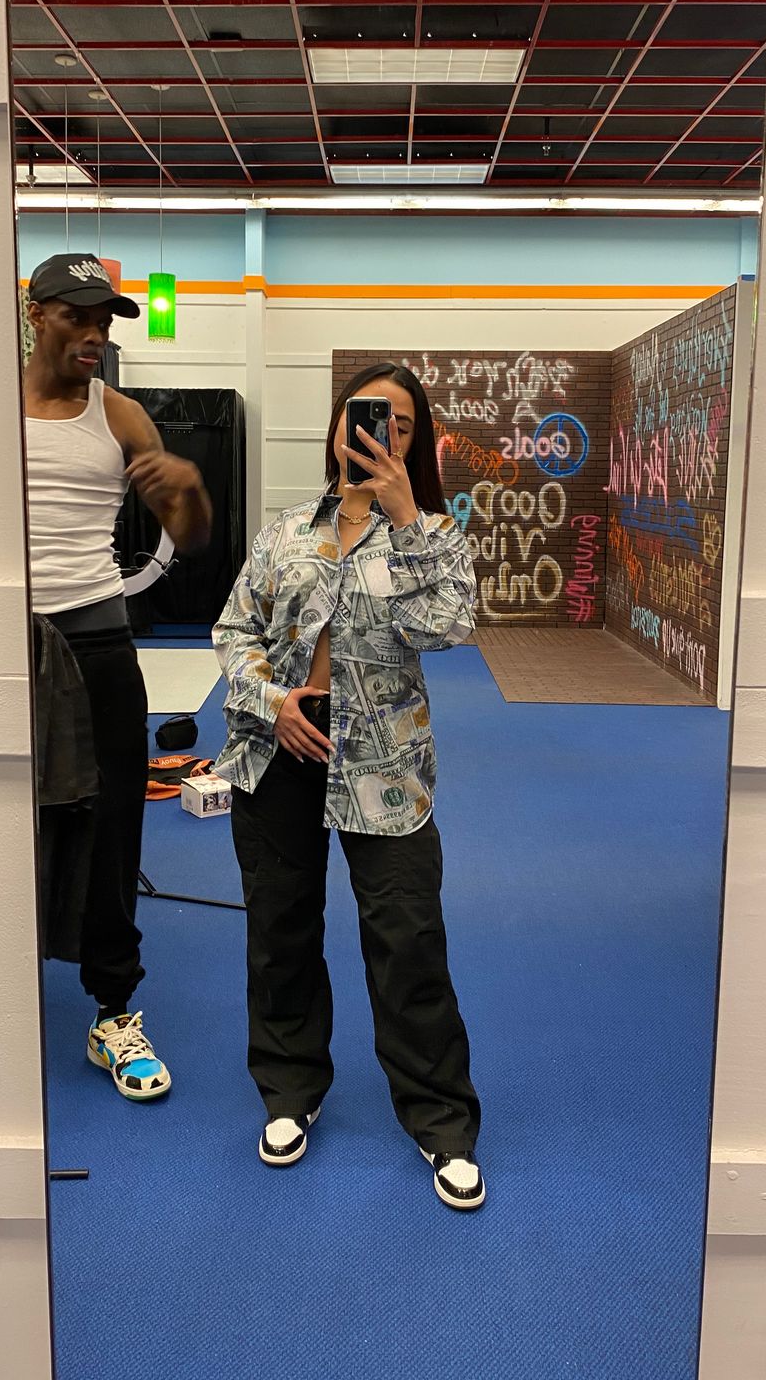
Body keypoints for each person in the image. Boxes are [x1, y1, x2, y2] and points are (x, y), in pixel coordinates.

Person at [213, 362, 484, 1210]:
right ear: (338, 425)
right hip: (281, 746)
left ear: (417, 442)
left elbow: (448, 627)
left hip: (385, 763)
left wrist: (406, 518)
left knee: (408, 939)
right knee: (280, 929)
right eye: (368, 416)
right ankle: (290, 1089)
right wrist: (272, 701)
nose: (380, 431)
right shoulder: (284, 533)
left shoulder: (432, 535)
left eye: (401, 423)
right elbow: (235, 630)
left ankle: (440, 1119)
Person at [23, 253, 211, 1102]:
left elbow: (192, 536)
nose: (94, 334)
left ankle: (113, 1014)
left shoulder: (122, 415)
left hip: (96, 639)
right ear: (36, 312)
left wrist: (189, 489)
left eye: (105, 321)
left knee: (108, 827)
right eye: (78, 316)